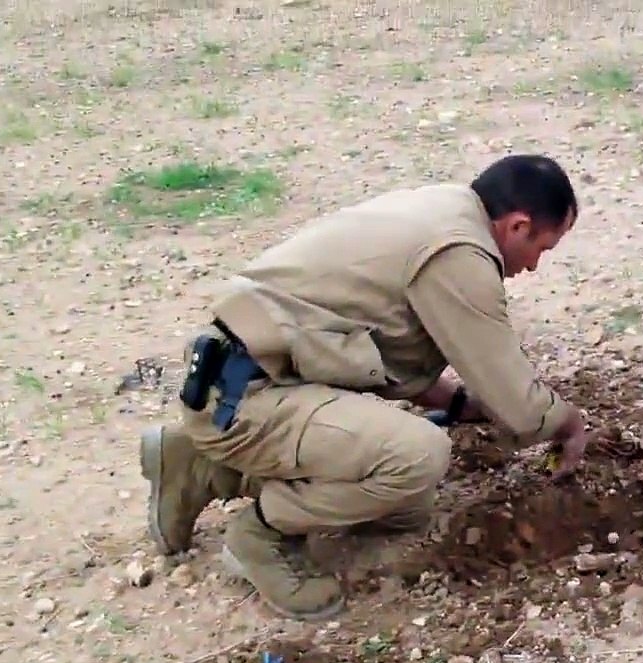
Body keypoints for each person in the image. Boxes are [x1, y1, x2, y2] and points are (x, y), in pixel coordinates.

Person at [139, 154, 591, 621]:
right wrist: (566, 422)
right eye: (543, 249)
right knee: (417, 456)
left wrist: (459, 403)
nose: (534, 267)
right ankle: (262, 533)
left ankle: (200, 467)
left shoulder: (443, 210)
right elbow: (520, 406)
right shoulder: (459, 253)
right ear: (518, 226)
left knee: (406, 507)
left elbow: (390, 357)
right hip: (247, 400)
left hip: (244, 382)